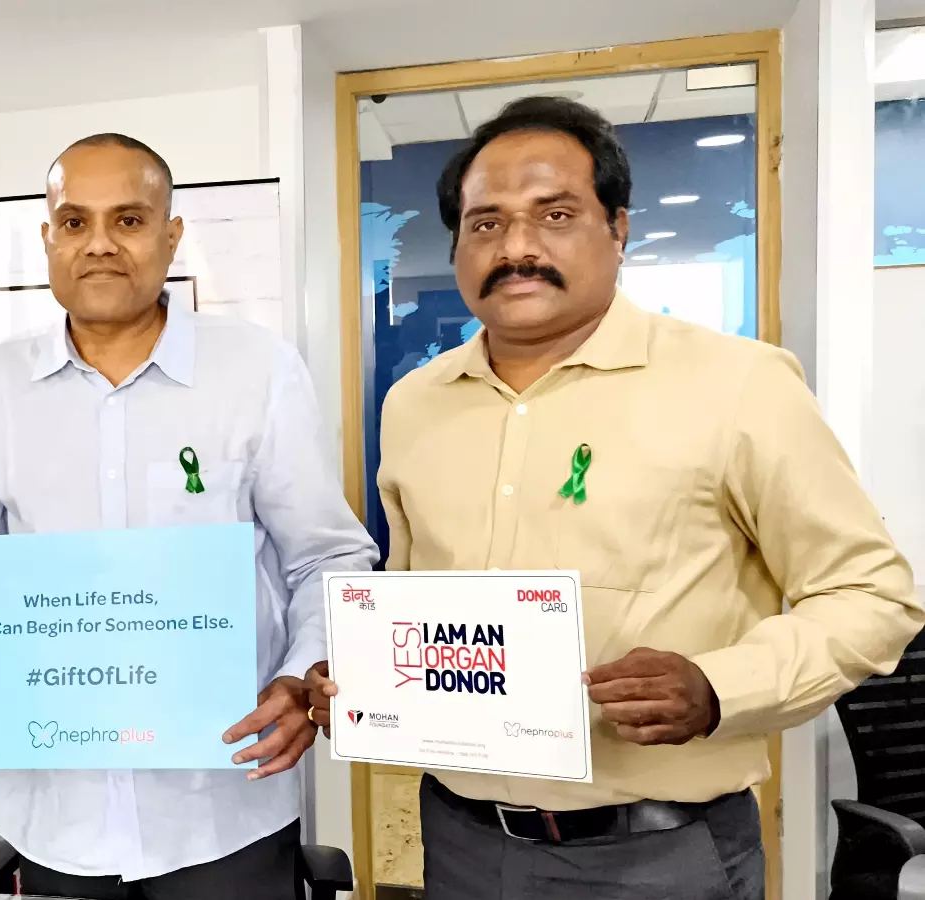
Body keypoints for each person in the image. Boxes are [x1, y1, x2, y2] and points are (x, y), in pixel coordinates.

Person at [308, 96, 923, 900]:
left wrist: (718, 687)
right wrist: (365, 675)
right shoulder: (415, 404)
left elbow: (872, 595)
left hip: (657, 856)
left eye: (555, 214)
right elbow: (418, 595)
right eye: (486, 223)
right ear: (457, 244)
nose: (517, 247)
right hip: (459, 842)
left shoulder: (737, 384)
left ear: (619, 229)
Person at [0, 133, 379, 900]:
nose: (99, 244)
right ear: (49, 238)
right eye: (75, 221)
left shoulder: (256, 369)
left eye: (127, 219)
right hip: (55, 808)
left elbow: (326, 557)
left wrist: (299, 678)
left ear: (171, 235)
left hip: (222, 802)